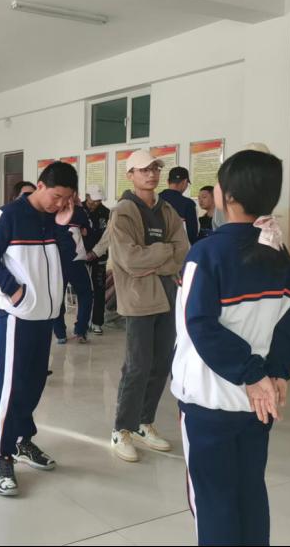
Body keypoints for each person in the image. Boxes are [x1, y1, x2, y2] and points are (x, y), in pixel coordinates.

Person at [172, 149, 290, 546]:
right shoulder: (280, 256)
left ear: (226, 195)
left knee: (213, 502)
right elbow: (289, 321)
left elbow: (200, 325)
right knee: (250, 494)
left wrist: (254, 374)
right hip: (257, 404)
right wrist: (276, 372)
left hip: (210, 400)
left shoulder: (206, 253)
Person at [0, 161, 77, 496]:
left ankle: (22, 440)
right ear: (40, 185)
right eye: (56, 196)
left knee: (34, 383)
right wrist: (14, 291)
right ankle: (2, 455)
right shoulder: (9, 215)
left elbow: (68, 258)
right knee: (10, 387)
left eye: (65, 199)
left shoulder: (54, 219)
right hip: (16, 316)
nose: (59, 203)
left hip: (44, 316)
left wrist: (62, 225)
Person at [109, 149, 189, 463]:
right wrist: (164, 253)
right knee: (137, 365)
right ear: (130, 174)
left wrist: (154, 257)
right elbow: (129, 259)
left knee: (160, 364)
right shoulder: (124, 212)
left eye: (155, 169)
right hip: (139, 298)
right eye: (144, 170)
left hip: (167, 295)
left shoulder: (166, 209)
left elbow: (182, 251)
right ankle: (121, 429)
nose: (151, 174)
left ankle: (144, 422)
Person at [53, 198, 93, 344]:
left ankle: (60, 334)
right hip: (74, 260)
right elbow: (88, 232)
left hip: (57, 261)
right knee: (85, 294)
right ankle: (80, 331)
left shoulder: (50, 210)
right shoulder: (79, 212)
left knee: (58, 297)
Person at [83, 184, 111, 334]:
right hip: (81, 256)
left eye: (99, 200)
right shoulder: (78, 209)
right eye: (93, 200)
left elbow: (107, 236)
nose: (96, 203)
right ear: (87, 196)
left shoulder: (106, 213)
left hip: (99, 256)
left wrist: (95, 252)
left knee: (99, 288)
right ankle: (83, 322)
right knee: (84, 290)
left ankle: (97, 322)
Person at [159, 166, 198, 244]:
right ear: (185, 182)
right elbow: (192, 234)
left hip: (156, 247)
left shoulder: (154, 199)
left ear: (168, 181)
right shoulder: (188, 204)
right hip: (179, 248)